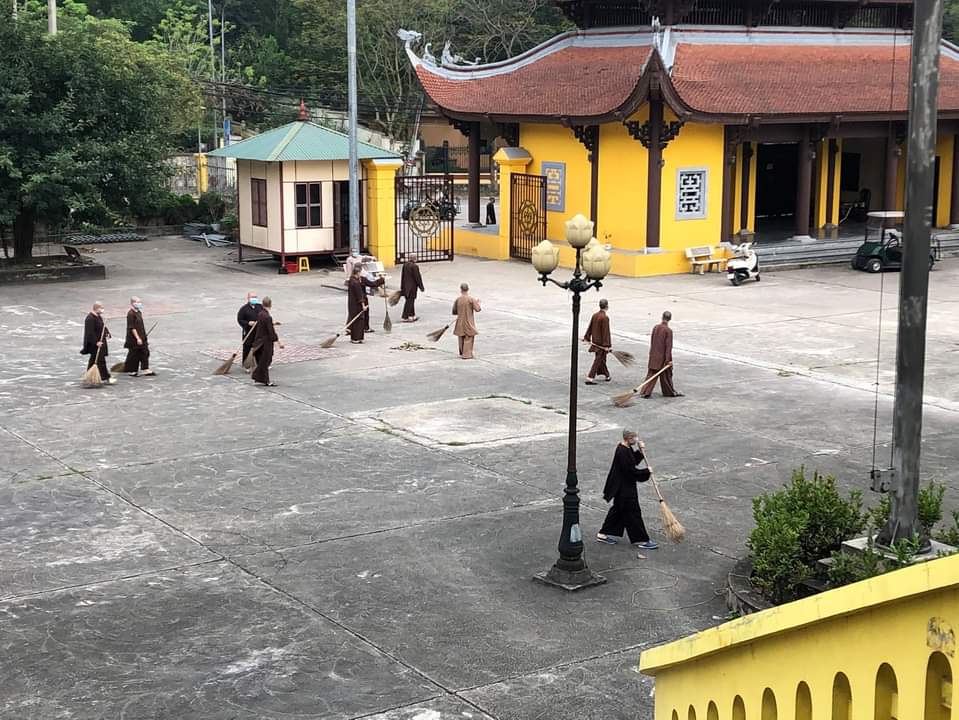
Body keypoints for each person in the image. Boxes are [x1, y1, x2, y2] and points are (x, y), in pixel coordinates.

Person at [597, 429, 658, 550]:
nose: (636, 439)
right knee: (633, 513)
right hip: (624, 489)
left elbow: (632, 461)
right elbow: (630, 471)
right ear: (628, 438)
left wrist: (640, 452)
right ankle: (642, 539)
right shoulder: (622, 452)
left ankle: (602, 533)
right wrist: (646, 472)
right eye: (634, 437)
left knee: (618, 511)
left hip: (623, 487)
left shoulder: (627, 448)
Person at [641, 310, 683, 398]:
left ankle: (645, 392)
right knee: (667, 376)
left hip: (653, 355)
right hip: (662, 358)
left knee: (651, 375)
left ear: (662, 317)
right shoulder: (668, 331)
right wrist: (668, 360)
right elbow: (668, 347)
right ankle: (669, 392)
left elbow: (652, 341)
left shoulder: (655, 327)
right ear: (670, 319)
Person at [81, 301, 116, 385]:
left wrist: (107, 333)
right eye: (101, 308)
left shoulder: (98, 317)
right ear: (97, 308)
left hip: (100, 342)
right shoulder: (90, 318)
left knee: (94, 361)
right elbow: (90, 333)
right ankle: (106, 377)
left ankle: (89, 377)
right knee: (101, 361)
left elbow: (103, 327)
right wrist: (96, 342)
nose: (103, 310)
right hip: (95, 344)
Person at [251, 296, 283, 386]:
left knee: (262, 361)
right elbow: (271, 332)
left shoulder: (260, 314)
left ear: (262, 304)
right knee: (266, 361)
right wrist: (279, 342)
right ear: (270, 305)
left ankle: (261, 378)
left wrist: (273, 323)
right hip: (265, 343)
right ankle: (262, 378)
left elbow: (263, 324)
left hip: (258, 341)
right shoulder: (268, 317)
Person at [347, 265, 383, 343]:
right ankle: (356, 338)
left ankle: (358, 336)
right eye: (361, 272)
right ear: (358, 273)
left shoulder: (360, 279)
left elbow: (372, 284)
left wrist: (381, 280)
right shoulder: (354, 282)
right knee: (358, 320)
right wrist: (363, 305)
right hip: (356, 303)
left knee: (360, 319)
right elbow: (359, 295)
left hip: (357, 302)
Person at [123, 296, 154, 377]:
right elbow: (132, 328)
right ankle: (132, 370)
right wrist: (138, 338)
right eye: (138, 302)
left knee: (145, 352)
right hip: (134, 338)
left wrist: (143, 336)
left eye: (140, 302)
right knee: (134, 354)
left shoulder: (139, 312)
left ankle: (145, 368)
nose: (140, 304)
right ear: (133, 303)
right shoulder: (130, 314)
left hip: (142, 336)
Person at [583, 298, 611, 385]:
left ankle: (607, 375)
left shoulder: (595, 315)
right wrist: (607, 345)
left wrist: (587, 337)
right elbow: (606, 332)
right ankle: (590, 377)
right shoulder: (605, 318)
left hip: (596, 342)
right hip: (601, 344)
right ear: (607, 306)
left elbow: (590, 327)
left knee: (601, 359)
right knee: (598, 360)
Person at [452, 282, 481, 359]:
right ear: (468, 289)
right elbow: (478, 309)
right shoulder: (471, 299)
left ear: (461, 289)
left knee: (461, 337)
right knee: (469, 337)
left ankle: (462, 353)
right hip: (468, 322)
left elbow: (454, 312)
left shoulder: (458, 299)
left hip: (460, 322)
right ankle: (467, 354)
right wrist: (478, 303)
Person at [237, 291, 260, 370]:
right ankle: (247, 365)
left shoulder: (260, 307)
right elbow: (240, 320)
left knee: (259, 348)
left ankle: (260, 364)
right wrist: (248, 323)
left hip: (258, 332)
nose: (254, 299)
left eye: (255, 297)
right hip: (248, 332)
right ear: (248, 298)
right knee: (247, 348)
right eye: (252, 297)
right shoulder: (243, 309)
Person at [400, 254, 425, 322]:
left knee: (410, 301)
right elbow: (417, 278)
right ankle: (405, 317)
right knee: (410, 302)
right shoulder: (415, 266)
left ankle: (412, 315)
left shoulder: (405, 265)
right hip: (412, 287)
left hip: (405, 287)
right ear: (415, 259)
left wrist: (402, 287)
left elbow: (402, 276)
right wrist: (421, 287)